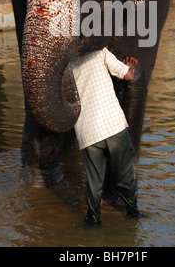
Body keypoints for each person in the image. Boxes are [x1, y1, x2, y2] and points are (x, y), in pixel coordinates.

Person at [70, 47, 143, 226]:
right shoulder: (99, 52)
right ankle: (133, 215)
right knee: (125, 177)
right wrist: (129, 68)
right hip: (112, 125)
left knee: (94, 183)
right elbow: (128, 76)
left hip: (87, 132)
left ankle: (93, 220)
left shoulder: (67, 65)